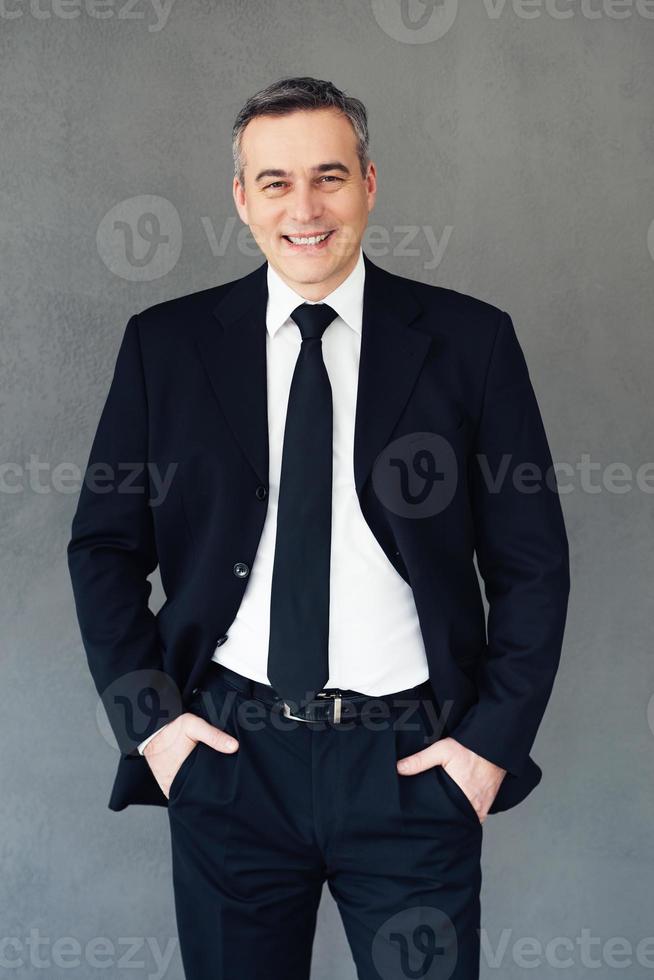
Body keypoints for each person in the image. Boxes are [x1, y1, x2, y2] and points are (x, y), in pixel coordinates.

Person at [67, 75, 570, 980]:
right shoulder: (166, 346)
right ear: (241, 199)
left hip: (414, 765)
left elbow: (532, 563)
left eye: (330, 177)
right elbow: (103, 550)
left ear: (369, 185)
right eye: (276, 182)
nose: (305, 207)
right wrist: (157, 731)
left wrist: (489, 749)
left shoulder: (471, 342)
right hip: (228, 760)